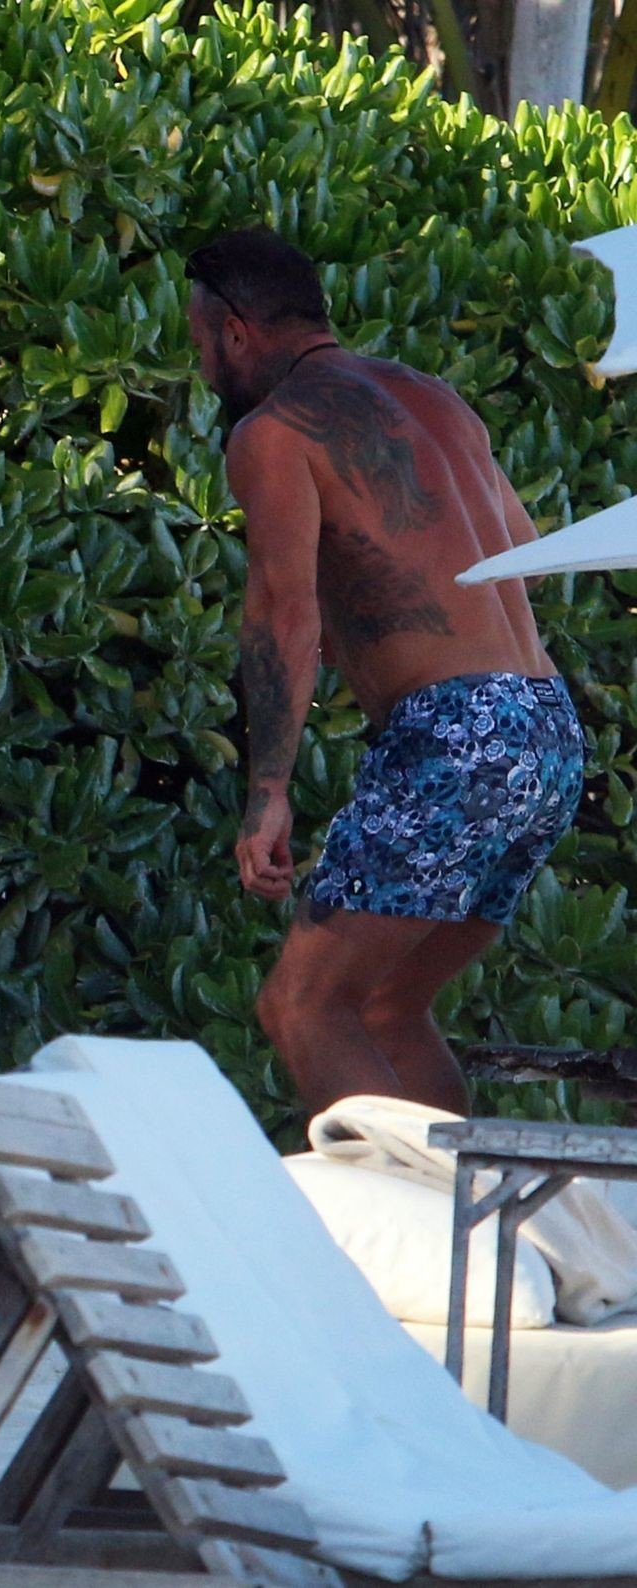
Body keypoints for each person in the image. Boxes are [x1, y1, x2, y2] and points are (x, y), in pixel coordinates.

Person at [185, 227, 585, 1116]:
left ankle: (384, 1207)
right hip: (545, 726)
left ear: (235, 332)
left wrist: (268, 791)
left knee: (302, 1006)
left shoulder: (273, 433)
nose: (203, 368)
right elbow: (522, 551)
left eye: (200, 343)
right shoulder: (432, 397)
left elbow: (284, 619)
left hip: (458, 733)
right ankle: (458, 1206)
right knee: (386, 1009)